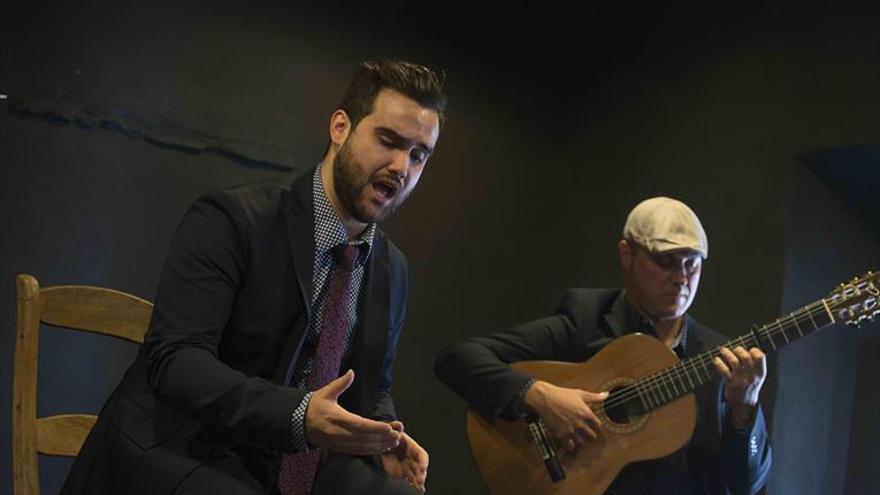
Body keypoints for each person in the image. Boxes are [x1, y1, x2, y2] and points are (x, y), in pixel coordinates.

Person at [62, 59, 446, 495]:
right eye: (388, 141)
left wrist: (382, 435)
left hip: (298, 463)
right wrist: (298, 413)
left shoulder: (391, 269)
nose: (401, 166)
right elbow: (176, 361)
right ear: (340, 127)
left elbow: (374, 387)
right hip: (187, 445)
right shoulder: (232, 220)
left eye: (418, 155)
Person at [435, 197, 772, 494]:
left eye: (691, 263)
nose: (682, 278)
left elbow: (746, 485)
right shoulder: (585, 320)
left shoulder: (721, 360)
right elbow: (458, 359)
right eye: (666, 262)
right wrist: (540, 396)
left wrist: (744, 407)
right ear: (627, 254)